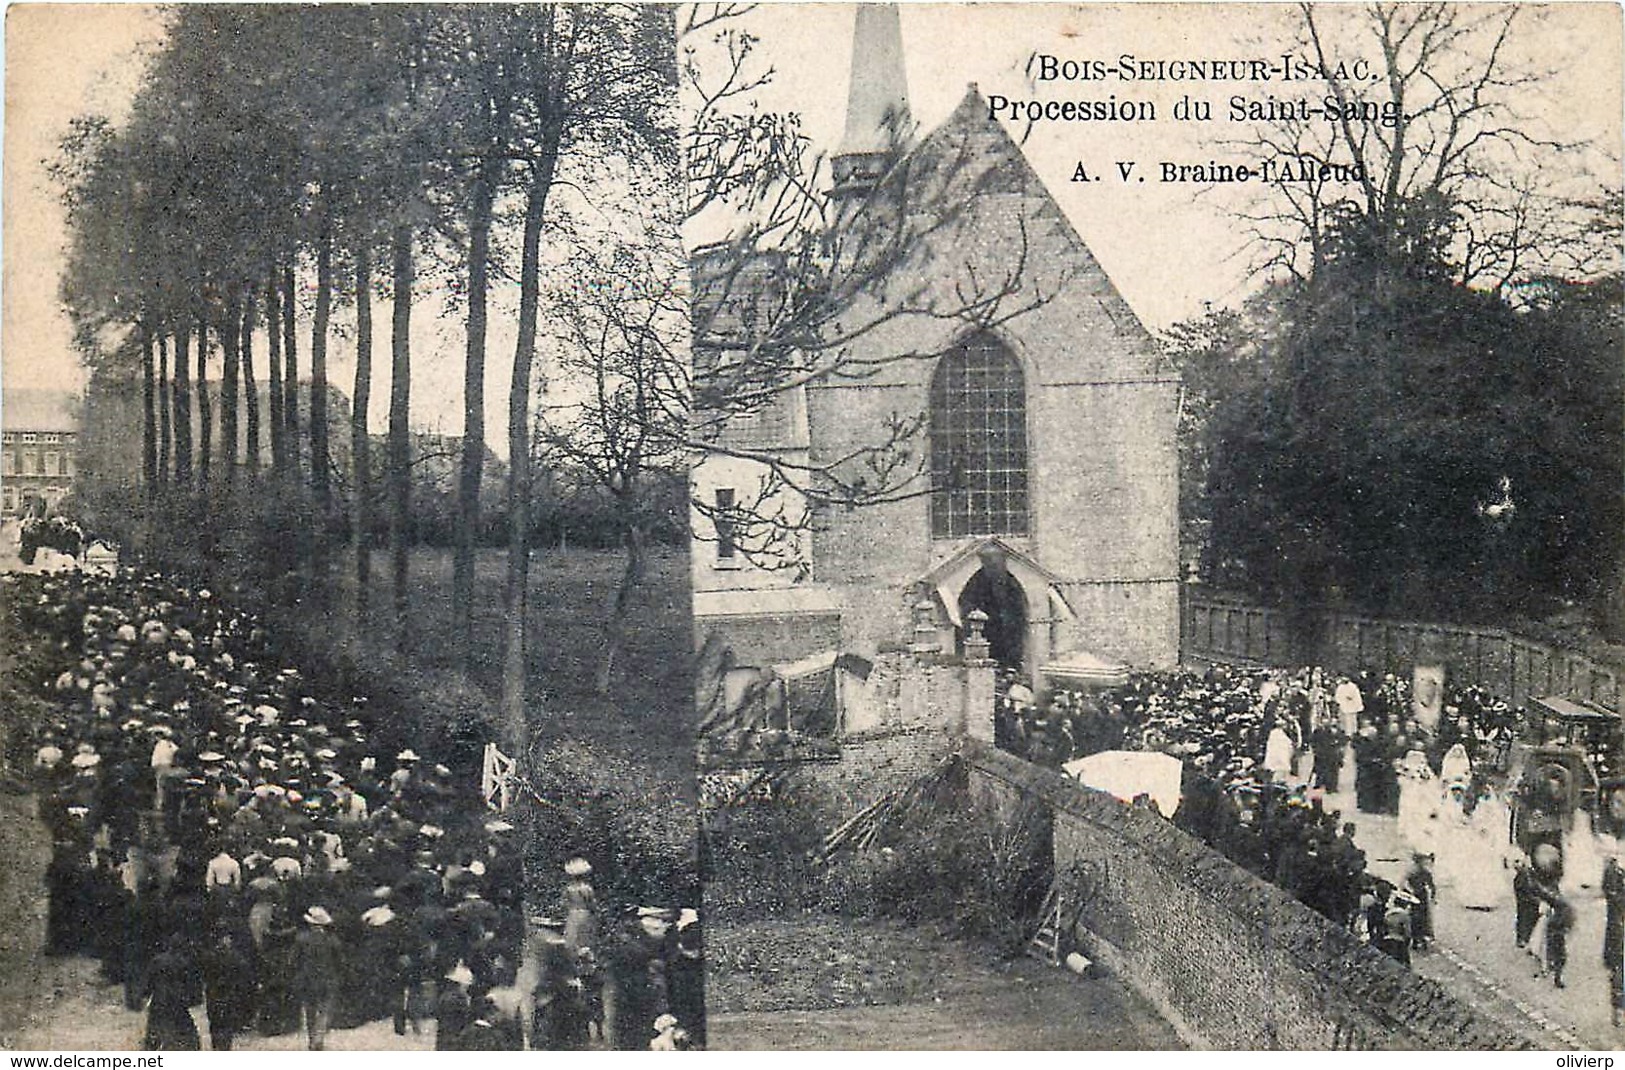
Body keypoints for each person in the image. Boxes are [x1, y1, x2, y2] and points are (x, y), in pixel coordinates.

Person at [294, 906, 343, 1050]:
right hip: (327, 978)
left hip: (307, 978)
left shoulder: (301, 938)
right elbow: (340, 960)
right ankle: (319, 1037)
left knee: (309, 1009)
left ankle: (311, 1038)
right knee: (325, 1009)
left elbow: (293, 960)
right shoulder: (333, 940)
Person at [1606, 855, 1625, 1026]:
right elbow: (1612, 896)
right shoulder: (1613, 871)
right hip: (1618, 930)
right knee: (1619, 971)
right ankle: (1618, 1011)